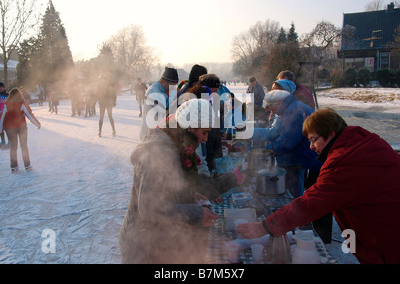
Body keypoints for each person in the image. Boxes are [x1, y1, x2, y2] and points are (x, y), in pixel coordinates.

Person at [238, 108, 400, 264]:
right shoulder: (362, 142)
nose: (311, 146)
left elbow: (310, 204)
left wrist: (266, 226)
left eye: (314, 140)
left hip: (387, 237)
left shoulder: (345, 162)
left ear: (331, 134)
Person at [119, 99, 220, 264]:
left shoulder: (172, 143)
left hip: (155, 242)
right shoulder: (160, 154)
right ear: (190, 128)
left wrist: (187, 194)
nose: (206, 139)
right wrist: (197, 213)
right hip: (143, 249)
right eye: (204, 132)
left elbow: (163, 189)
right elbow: (151, 209)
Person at [252, 90, 320, 198]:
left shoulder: (293, 112)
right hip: (307, 155)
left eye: (271, 106)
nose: (271, 111)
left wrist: (265, 151)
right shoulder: (292, 107)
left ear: (279, 102)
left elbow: (287, 142)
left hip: (311, 156)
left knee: (306, 194)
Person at [0, 88, 41, 173]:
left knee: (13, 147)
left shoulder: (6, 104)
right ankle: (27, 165)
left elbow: (2, 118)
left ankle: (14, 167)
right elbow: (29, 115)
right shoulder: (22, 104)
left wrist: (1, 130)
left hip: (11, 128)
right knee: (24, 146)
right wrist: (37, 123)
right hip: (21, 127)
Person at [139, 67, 179, 139]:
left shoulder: (161, 90)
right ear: (164, 82)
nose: (173, 88)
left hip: (155, 133)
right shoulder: (154, 91)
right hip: (150, 136)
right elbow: (165, 112)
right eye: (172, 85)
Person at [0, 83, 9, 149]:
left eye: (2, 87)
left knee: (6, 128)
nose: (1, 88)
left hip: (6, 114)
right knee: (0, 128)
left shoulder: (8, 95)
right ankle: (3, 141)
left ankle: (10, 141)